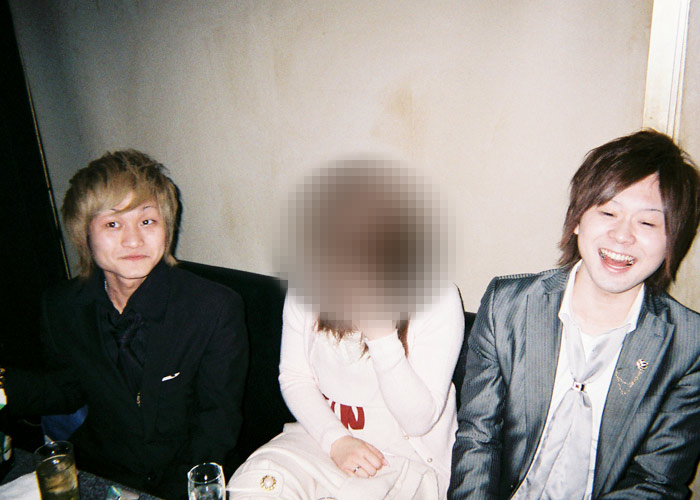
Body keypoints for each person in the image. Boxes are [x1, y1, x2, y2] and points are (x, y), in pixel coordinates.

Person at [449, 130, 700, 500]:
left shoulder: (688, 344)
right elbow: (478, 439)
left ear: (672, 240)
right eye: (608, 212)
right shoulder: (509, 306)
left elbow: (655, 483)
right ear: (578, 218)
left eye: (647, 223)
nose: (622, 236)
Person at [0, 150, 248, 499]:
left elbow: (217, 424)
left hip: (186, 476)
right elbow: (67, 388)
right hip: (102, 472)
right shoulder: (62, 306)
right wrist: (4, 387)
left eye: (147, 221)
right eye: (113, 224)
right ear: (84, 234)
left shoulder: (213, 308)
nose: (133, 240)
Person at [227, 160, 464, 499]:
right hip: (322, 441)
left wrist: (383, 337)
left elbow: (418, 422)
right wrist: (336, 441)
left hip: (406, 457)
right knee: (254, 486)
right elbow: (294, 378)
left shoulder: (436, 298)